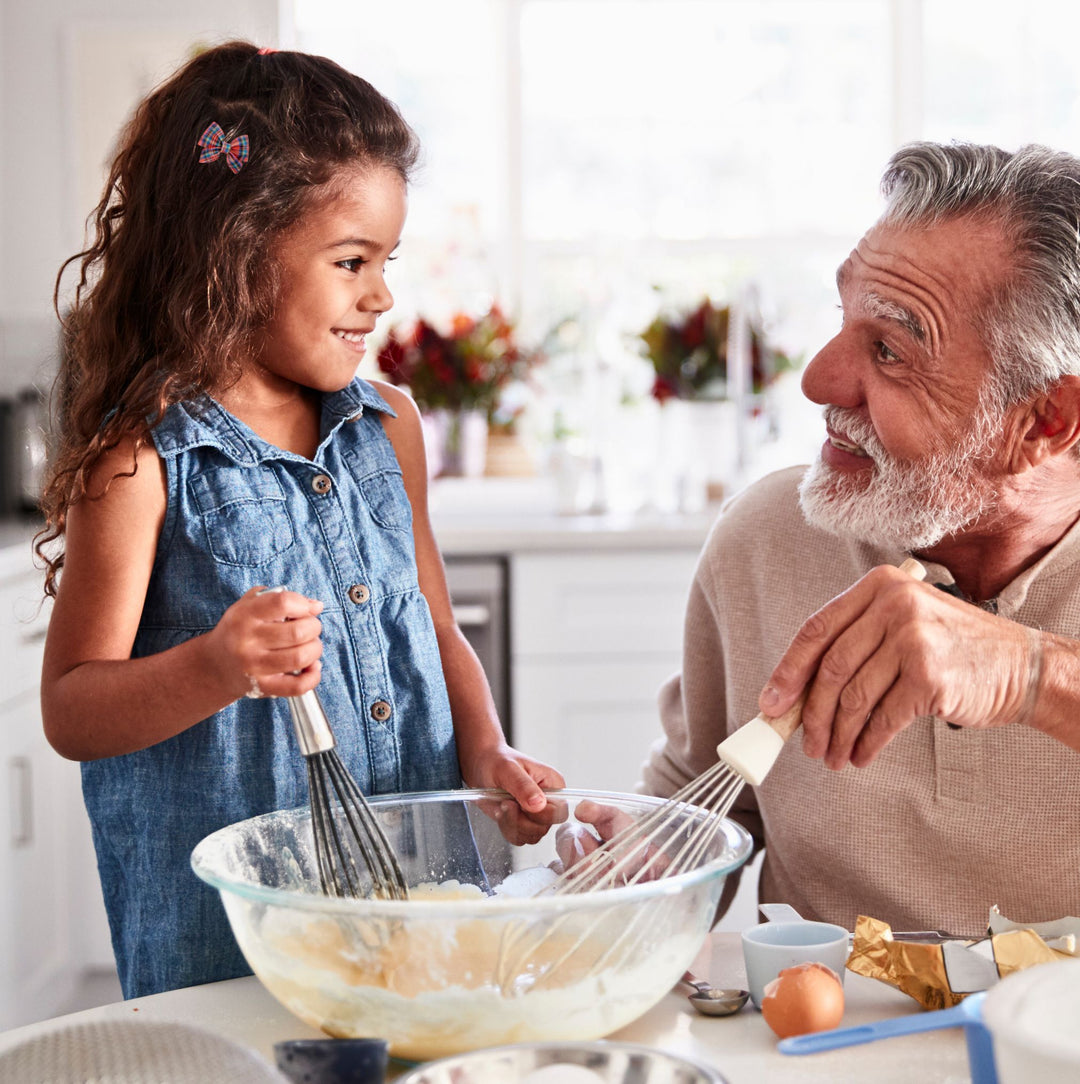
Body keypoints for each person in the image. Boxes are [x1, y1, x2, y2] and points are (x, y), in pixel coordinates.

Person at [38, 40, 564, 999]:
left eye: (387, 260)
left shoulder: (388, 428)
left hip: (418, 894)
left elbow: (434, 625)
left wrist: (487, 751)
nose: (382, 292)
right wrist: (213, 666)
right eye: (352, 260)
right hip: (233, 939)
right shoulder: (144, 460)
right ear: (235, 251)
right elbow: (73, 707)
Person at [641, 141, 1080, 939]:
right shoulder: (768, 537)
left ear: (1043, 421)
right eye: (844, 321)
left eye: (890, 350)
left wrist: (1027, 672)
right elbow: (700, 804)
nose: (818, 380)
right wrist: (630, 856)